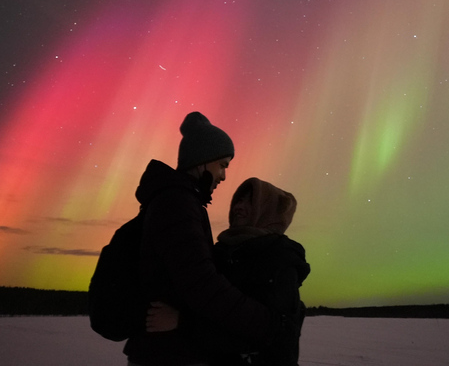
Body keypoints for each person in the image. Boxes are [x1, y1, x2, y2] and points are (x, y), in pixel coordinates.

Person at [124, 111, 274, 366]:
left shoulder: (178, 201)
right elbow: (201, 284)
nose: (223, 176)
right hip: (168, 355)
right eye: (223, 165)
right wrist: (261, 320)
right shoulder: (178, 205)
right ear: (203, 160)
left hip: (165, 350)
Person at [149, 178, 310, 366]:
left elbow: (270, 332)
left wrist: (182, 322)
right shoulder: (222, 252)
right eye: (238, 201)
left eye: (251, 202)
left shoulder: (278, 258)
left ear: (266, 211)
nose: (238, 207)